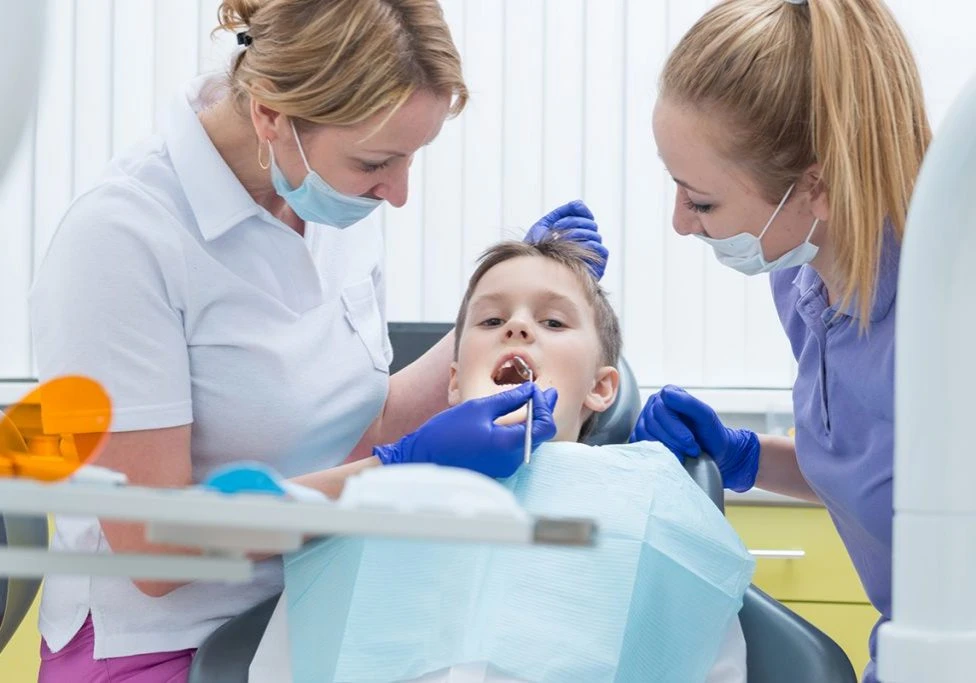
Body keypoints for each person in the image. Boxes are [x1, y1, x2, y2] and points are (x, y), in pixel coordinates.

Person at [27, 1, 603, 679]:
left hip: (309, 601)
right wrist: (390, 473)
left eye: (412, 157)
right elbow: (151, 543)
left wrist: (514, 314)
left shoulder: (327, 196)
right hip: (164, 643)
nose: (398, 193)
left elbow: (357, 419)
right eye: (378, 162)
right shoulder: (122, 241)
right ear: (272, 115)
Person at [250, 235, 752, 683]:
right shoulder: (366, 502)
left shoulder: (648, 500)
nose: (516, 327)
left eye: (553, 321)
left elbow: (704, 654)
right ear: (451, 381)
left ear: (601, 388)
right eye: (492, 319)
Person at [634, 1, 930, 680]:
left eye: (701, 200)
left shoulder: (942, 322)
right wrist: (746, 456)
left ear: (814, 188)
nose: (680, 223)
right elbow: (877, 474)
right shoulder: (802, 282)